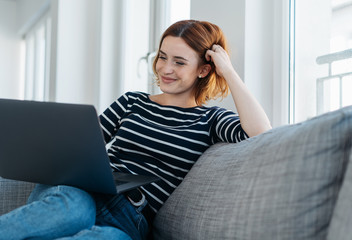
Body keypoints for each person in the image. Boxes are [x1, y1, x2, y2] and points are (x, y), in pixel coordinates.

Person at [0, 20, 271, 240]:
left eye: (179, 62)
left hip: (129, 216)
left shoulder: (210, 120)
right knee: (76, 212)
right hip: (79, 194)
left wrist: (229, 71)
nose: (165, 68)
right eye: (163, 57)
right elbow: (79, 147)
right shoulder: (133, 101)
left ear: (203, 69)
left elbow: (260, 132)